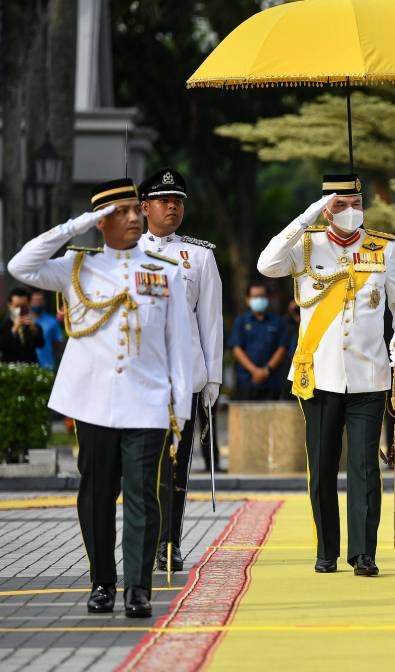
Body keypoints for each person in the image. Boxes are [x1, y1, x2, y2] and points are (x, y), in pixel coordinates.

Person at [8, 178, 192, 618]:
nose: (132, 218)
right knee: (95, 495)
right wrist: (78, 224)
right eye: (121, 212)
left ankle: (138, 589)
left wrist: (180, 411)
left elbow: (179, 346)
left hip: (147, 402)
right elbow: (21, 266)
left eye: (135, 210)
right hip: (92, 403)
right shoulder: (77, 267)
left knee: (143, 497)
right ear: (101, 221)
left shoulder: (165, 271)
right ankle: (102, 583)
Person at [258, 173, 395, 577]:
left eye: (356, 203)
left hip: (369, 375)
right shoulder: (307, 245)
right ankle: (326, 549)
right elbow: (267, 263)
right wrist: (310, 213)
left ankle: (364, 552)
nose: (350, 212)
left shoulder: (384, 248)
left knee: (366, 466)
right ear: (327, 207)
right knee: (323, 466)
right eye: (340, 204)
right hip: (319, 376)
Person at [137, 167, 224, 573]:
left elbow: (211, 320)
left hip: (185, 377)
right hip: (138, 379)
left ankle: (169, 543)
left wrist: (213, 379)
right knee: (140, 467)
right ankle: (143, 539)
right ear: (145, 207)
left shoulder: (200, 255)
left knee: (175, 465)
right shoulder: (127, 251)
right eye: (163, 200)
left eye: (178, 201)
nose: (172, 207)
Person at [229, 282, 290, 401]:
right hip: (246, 381)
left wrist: (266, 370)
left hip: (272, 382)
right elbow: (236, 349)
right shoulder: (240, 322)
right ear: (247, 300)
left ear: (267, 299)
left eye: (262, 296)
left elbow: (282, 348)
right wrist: (255, 371)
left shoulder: (278, 322)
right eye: (255, 297)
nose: (259, 299)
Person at [0, 287, 45, 364]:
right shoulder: (4, 325)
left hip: (30, 368)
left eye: (24, 307)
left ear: (29, 306)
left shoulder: (34, 326)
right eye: (17, 306)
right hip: (10, 368)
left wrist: (34, 329)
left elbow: (41, 344)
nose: (20, 310)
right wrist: (13, 329)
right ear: (10, 306)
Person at [29, 290, 63, 369]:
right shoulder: (24, 320)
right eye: (35, 301)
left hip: (47, 365)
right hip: (28, 366)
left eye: (40, 301)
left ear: (44, 302)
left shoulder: (52, 321)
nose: (37, 304)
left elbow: (57, 343)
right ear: (29, 302)